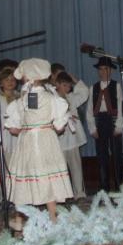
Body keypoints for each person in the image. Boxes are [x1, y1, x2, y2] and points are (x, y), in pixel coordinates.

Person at [5, 58, 72, 227]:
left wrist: (27, 126)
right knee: (47, 177)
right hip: (46, 140)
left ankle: (19, 221)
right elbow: (59, 128)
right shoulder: (51, 99)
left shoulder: (21, 100)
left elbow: (13, 129)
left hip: (28, 140)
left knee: (24, 178)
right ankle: (53, 219)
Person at [86, 57, 123, 192]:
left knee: (117, 155)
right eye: (100, 69)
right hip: (100, 122)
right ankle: (104, 188)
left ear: (111, 71)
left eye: (106, 69)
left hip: (113, 121)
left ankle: (120, 187)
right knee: (102, 156)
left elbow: (120, 106)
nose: (103, 72)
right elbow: (89, 109)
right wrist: (92, 128)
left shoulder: (117, 86)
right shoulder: (93, 88)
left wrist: (119, 125)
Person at [54, 71, 88, 200]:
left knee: (76, 166)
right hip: (59, 139)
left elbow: (85, 92)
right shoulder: (52, 99)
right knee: (60, 168)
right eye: (64, 85)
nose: (67, 88)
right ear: (57, 84)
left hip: (72, 139)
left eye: (69, 86)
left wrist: (74, 79)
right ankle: (62, 195)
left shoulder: (71, 98)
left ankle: (79, 193)